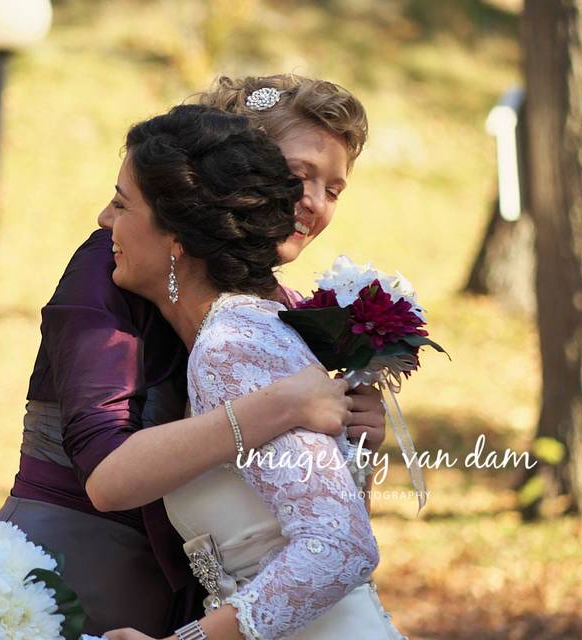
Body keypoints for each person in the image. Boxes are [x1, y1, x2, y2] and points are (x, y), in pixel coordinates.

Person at [0, 74, 385, 637]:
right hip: (82, 565)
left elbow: (330, 535)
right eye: (298, 176)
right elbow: (106, 468)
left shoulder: (272, 319)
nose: (313, 204)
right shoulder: (113, 263)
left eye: (334, 189)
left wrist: (357, 447)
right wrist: (285, 404)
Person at [102, 104, 402, 640]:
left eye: (123, 205)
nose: (105, 220)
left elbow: (341, 547)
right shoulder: (254, 332)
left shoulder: (233, 346)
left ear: (178, 239)